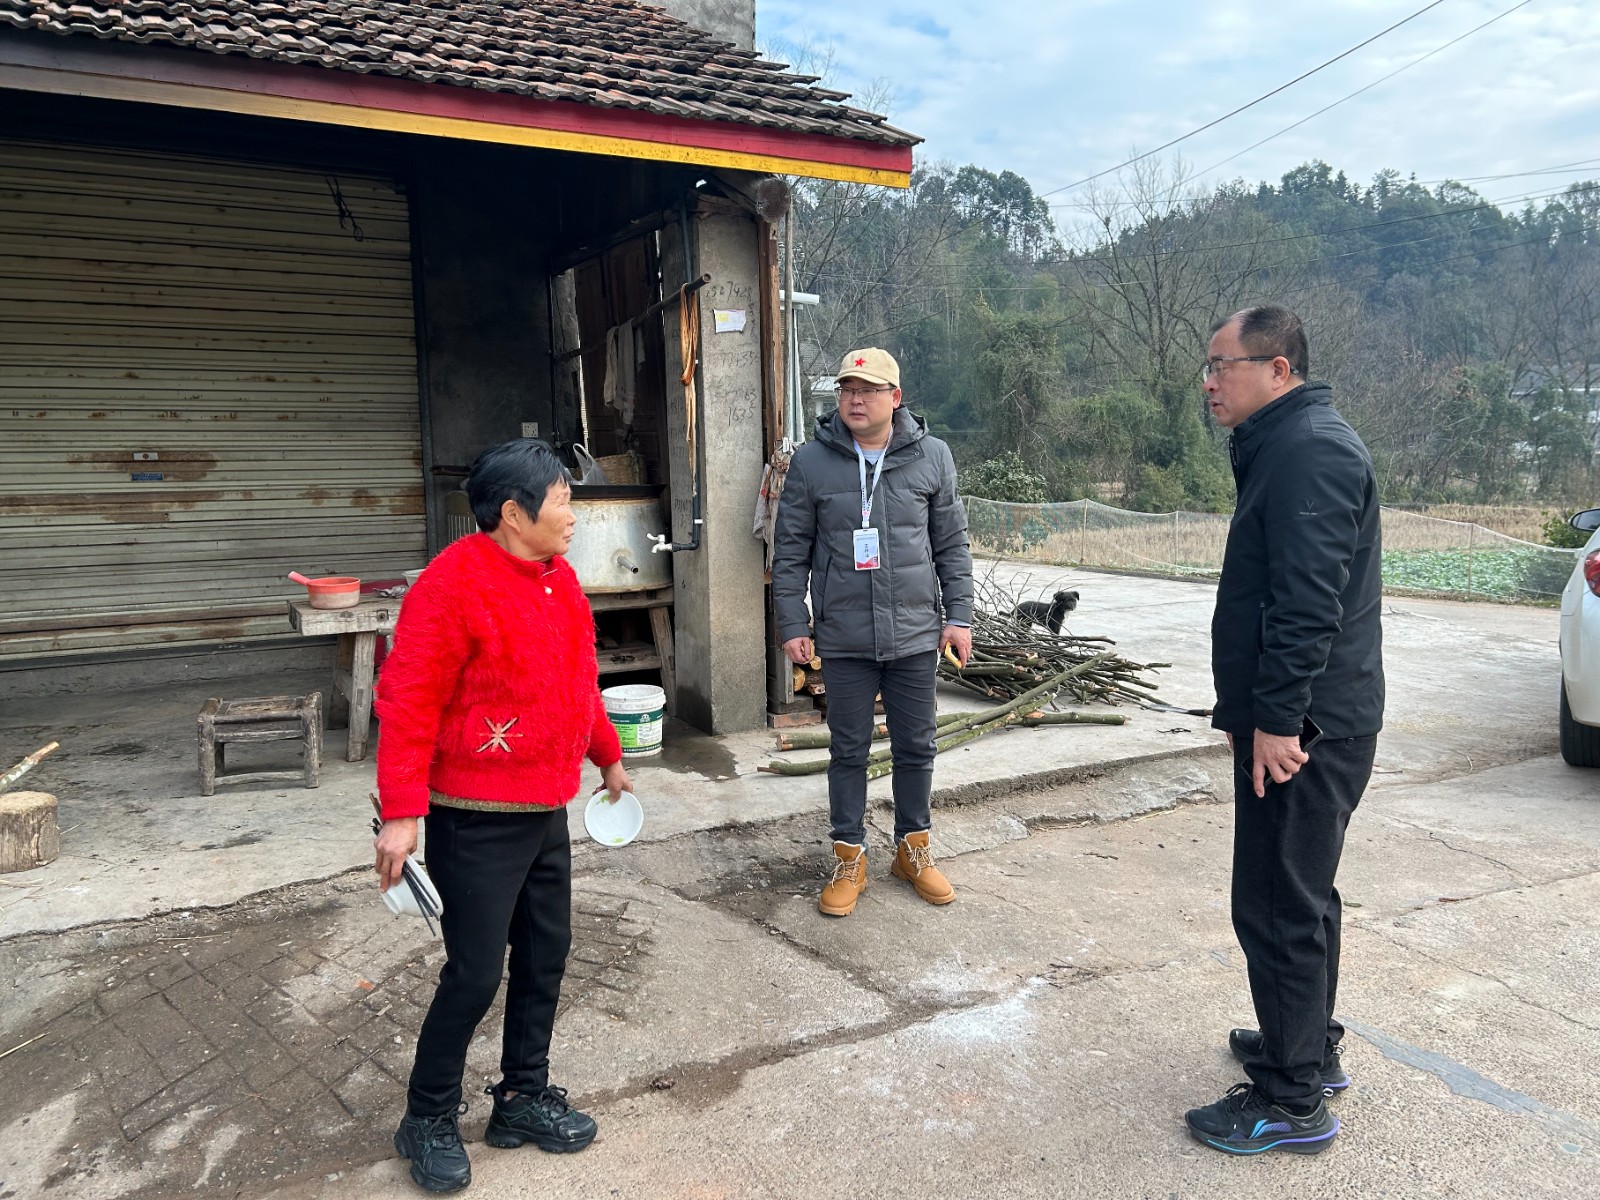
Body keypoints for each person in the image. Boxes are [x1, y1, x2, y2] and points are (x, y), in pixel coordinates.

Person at [372, 438, 633, 1193]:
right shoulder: (451, 586)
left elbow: (579, 679)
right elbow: (408, 702)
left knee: (546, 953)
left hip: (545, 806)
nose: (574, 516)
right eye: (563, 502)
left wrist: (607, 755)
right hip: (474, 815)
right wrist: (402, 813)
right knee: (476, 972)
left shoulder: (559, 580)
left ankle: (521, 1097)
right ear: (514, 514)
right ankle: (426, 1117)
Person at [1185, 306, 1383, 1156]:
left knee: (1274, 903)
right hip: (1306, 717)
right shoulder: (1287, 444)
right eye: (1207, 366)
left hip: (1306, 727)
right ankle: (1306, 1042)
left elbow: (1307, 607)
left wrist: (1274, 720)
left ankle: (1290, 1098)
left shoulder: (1310, 451)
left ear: (1278, 369)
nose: (1208, 382)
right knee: (1301, 893)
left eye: (1221, 365)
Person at [772, 347, 974, 917]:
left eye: (867, 390)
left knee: (916, 745)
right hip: (844, 636)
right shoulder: (812, 462)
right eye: (847, 390)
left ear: (895, 397)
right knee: (848, 749)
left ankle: (912, 849)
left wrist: (958, 617)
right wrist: (793, 621)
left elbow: (951, 545)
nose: (855, 400)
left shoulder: (932, 456)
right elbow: (789, 550)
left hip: (914, 633)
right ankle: (849, 856)